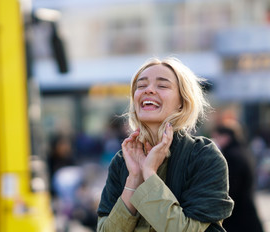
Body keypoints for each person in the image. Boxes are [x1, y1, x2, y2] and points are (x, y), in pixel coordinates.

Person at [97, 57, 234, 231]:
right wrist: (134, 178)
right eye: (141, 86)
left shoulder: (203, 156)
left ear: (182, 102)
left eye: (162, 85)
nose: (149, 90)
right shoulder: (122, 160)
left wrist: (149, 174)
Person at [212, 121, 264, 232]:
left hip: (238, 217)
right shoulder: (244, 151)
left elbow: (230, 189)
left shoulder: (231, 156)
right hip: (247, 213)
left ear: (225, 137)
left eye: (217, 137)